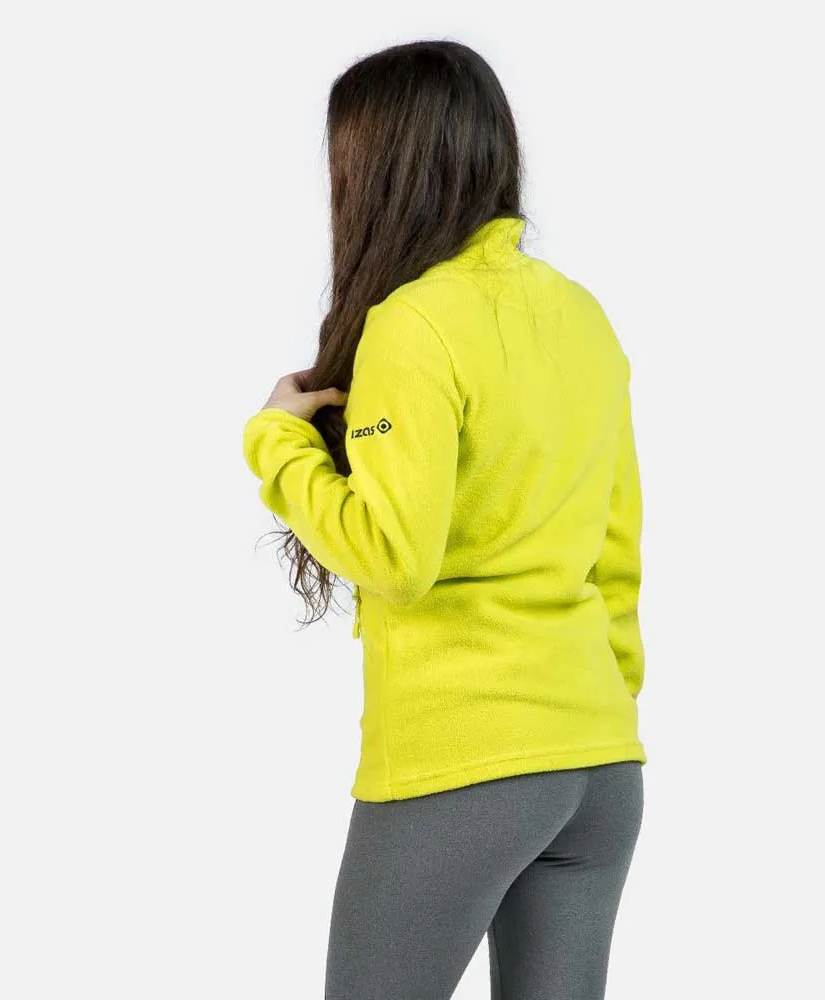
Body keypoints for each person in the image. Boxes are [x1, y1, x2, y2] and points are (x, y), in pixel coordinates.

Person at [242, 38, 646, 1000]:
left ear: (377, 169)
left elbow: (394, 555)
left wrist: (279, 445)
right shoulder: (582, 316)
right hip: (599, 763)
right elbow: (616, 548)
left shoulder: (415, 324)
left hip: (465, 760)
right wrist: (597, 707)